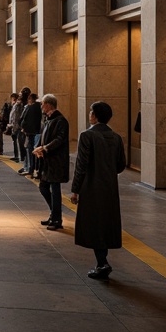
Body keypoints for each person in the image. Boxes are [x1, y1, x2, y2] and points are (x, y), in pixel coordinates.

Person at [70, 101, 126, 280]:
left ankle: (102, 263)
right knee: (106, 223)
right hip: (109, 187)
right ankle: (102, 261)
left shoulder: (87, 135)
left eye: (90, 112)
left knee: (93, 224)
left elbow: (81, 165)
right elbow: (121, 165)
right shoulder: (116, 137)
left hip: (91, 186)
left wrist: (75, 190)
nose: (89, 115)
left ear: (94, 116)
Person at [31, 93, 70, 230]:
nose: (41, 106)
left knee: (55, 189)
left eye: (42, 104)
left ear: (48, 105)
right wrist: (40, 149)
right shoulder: (48, 119)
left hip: (56, 162)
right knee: (43, 187)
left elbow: (60, 139)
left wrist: (45, 148)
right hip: (47, 161)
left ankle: (57, 219)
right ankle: (54, 214)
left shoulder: (60, 120)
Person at [18, 90, 41, 174]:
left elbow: (22, 119)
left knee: (29, 150)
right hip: (38, 132)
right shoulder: (40, 107)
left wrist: (23, 127)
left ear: (30, 99)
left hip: (30, 132)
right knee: (35, 151)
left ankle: (29, 168)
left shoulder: (29, 108)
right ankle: (32, 168)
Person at [0, 92, 16, 157]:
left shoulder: (18, 106)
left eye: (15, 99)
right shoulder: (7, 105)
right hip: (4, 123)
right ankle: (1, 150)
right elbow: (2, 112)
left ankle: (16, 154)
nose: (14, 101)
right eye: (13, 99)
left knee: (14, 139)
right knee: (0, 136)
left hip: (12, 124)